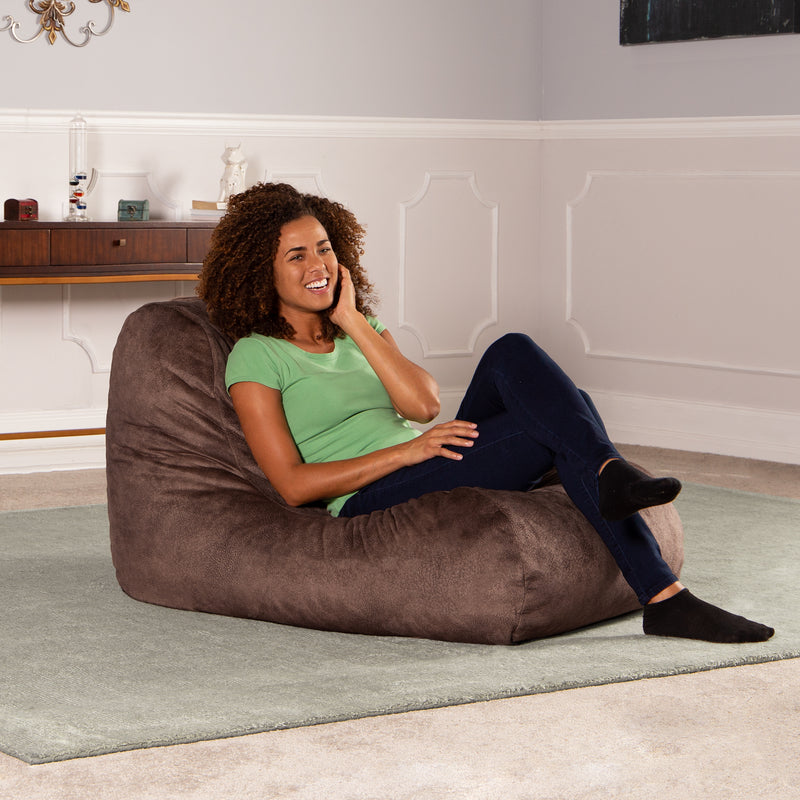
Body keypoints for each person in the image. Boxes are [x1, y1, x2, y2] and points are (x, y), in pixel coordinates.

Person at [196, 182, 774, 645]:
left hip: (426, 455)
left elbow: (423, 405)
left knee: (512, 352)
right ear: (263, 271)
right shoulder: (257, 355)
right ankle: (659, 584)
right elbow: (293, 486)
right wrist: (407, 452)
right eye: (296, 255)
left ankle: (608, 481)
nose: (317, 264)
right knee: (565, 419)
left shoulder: (360, 328)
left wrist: (350, 322)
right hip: (371, 491)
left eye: (324, 248)